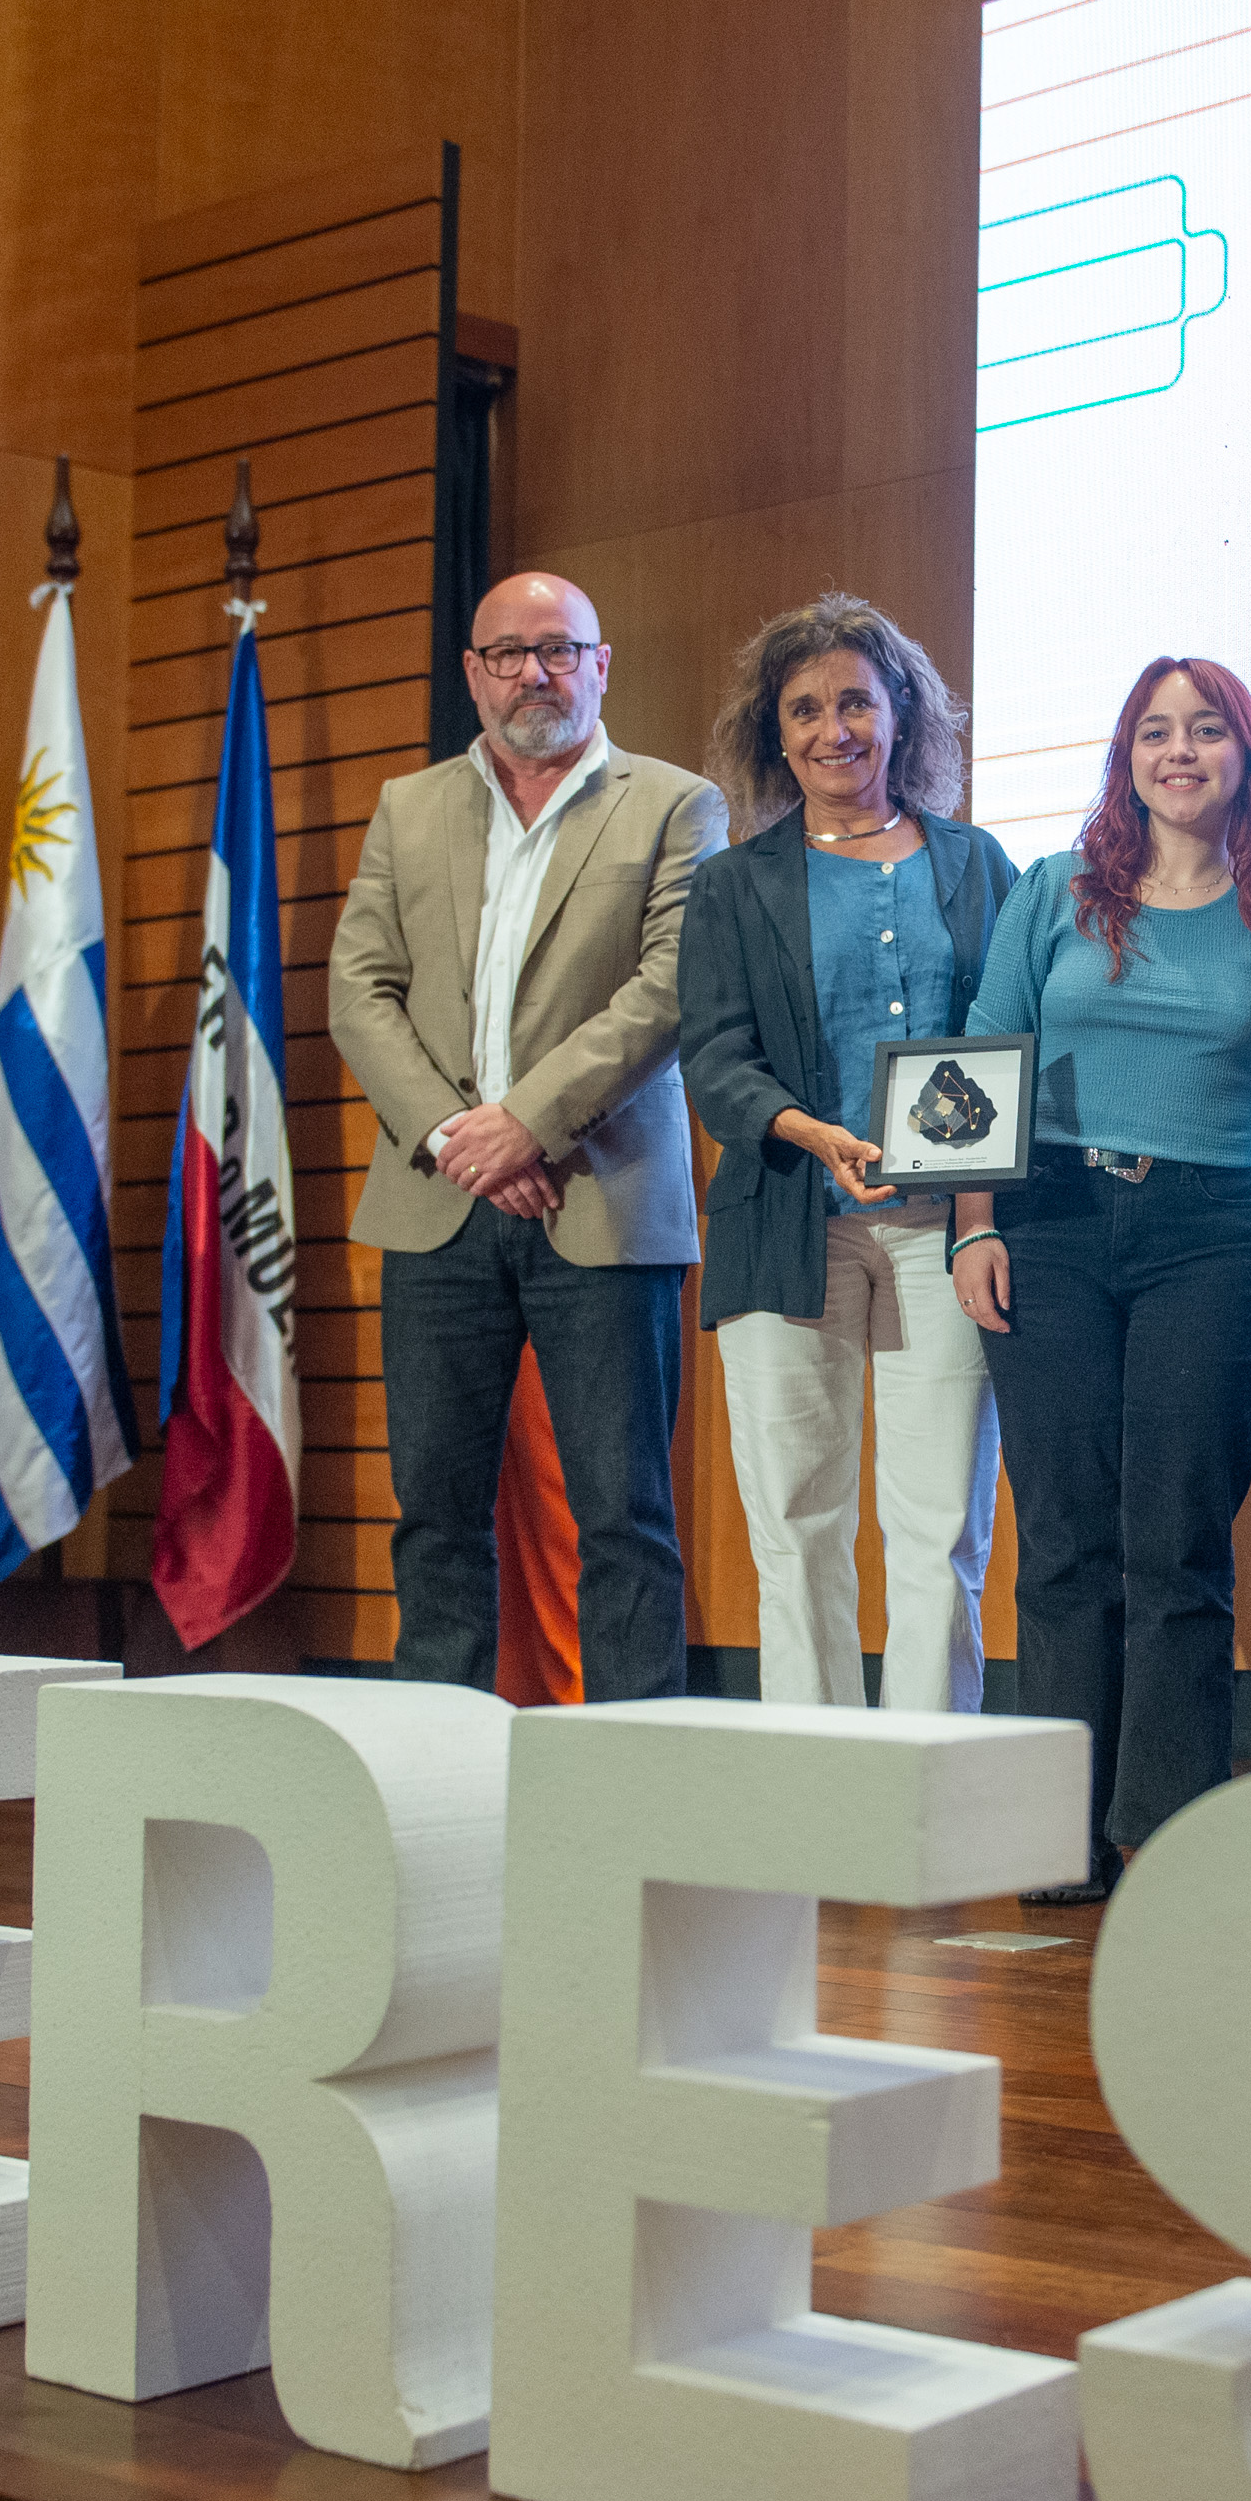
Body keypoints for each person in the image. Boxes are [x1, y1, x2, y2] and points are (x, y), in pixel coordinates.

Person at [953, 659, 1251, 1901]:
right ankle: (1057, 1834)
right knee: (1062, 1536)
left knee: (1179, 1537)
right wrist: (972, 1225)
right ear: (1127, 759)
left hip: (1209, 1231)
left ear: (1245, 755)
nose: (1181, 751)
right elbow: (985, 1057)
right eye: (1156, 732)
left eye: (1207, 729)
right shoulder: (1055, 892)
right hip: (1048, 1220)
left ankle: (1165, 1824)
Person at [328, 572, 730, 1705]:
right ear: (472, 671)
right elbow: (359, 990)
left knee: (625, 1520)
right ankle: (434, 1765)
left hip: (600, 1194)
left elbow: (668, 992)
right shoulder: (408, 808)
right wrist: (463, 1135)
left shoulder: (674, 803)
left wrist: (529, 1126)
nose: (533, 672)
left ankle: (631, 1783)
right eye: (507, 652)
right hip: (437, 1200)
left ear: (602, 665)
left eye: (559, 649)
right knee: (435, 1517)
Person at [678, 593, 1020, 1716]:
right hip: (785, 1224)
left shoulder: (977, 866)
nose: (837, 730)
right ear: (776, 733)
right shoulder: (734, 882)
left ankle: (931, 1782)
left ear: (901, 713)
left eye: (858, 703)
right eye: (808, 709)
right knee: (796, 1524)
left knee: (940, 1534)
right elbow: (715, 1058)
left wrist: (978, 1206)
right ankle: (815, 1786)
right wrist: (806, 1131)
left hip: (943, 1236)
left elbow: (1005, 1033)